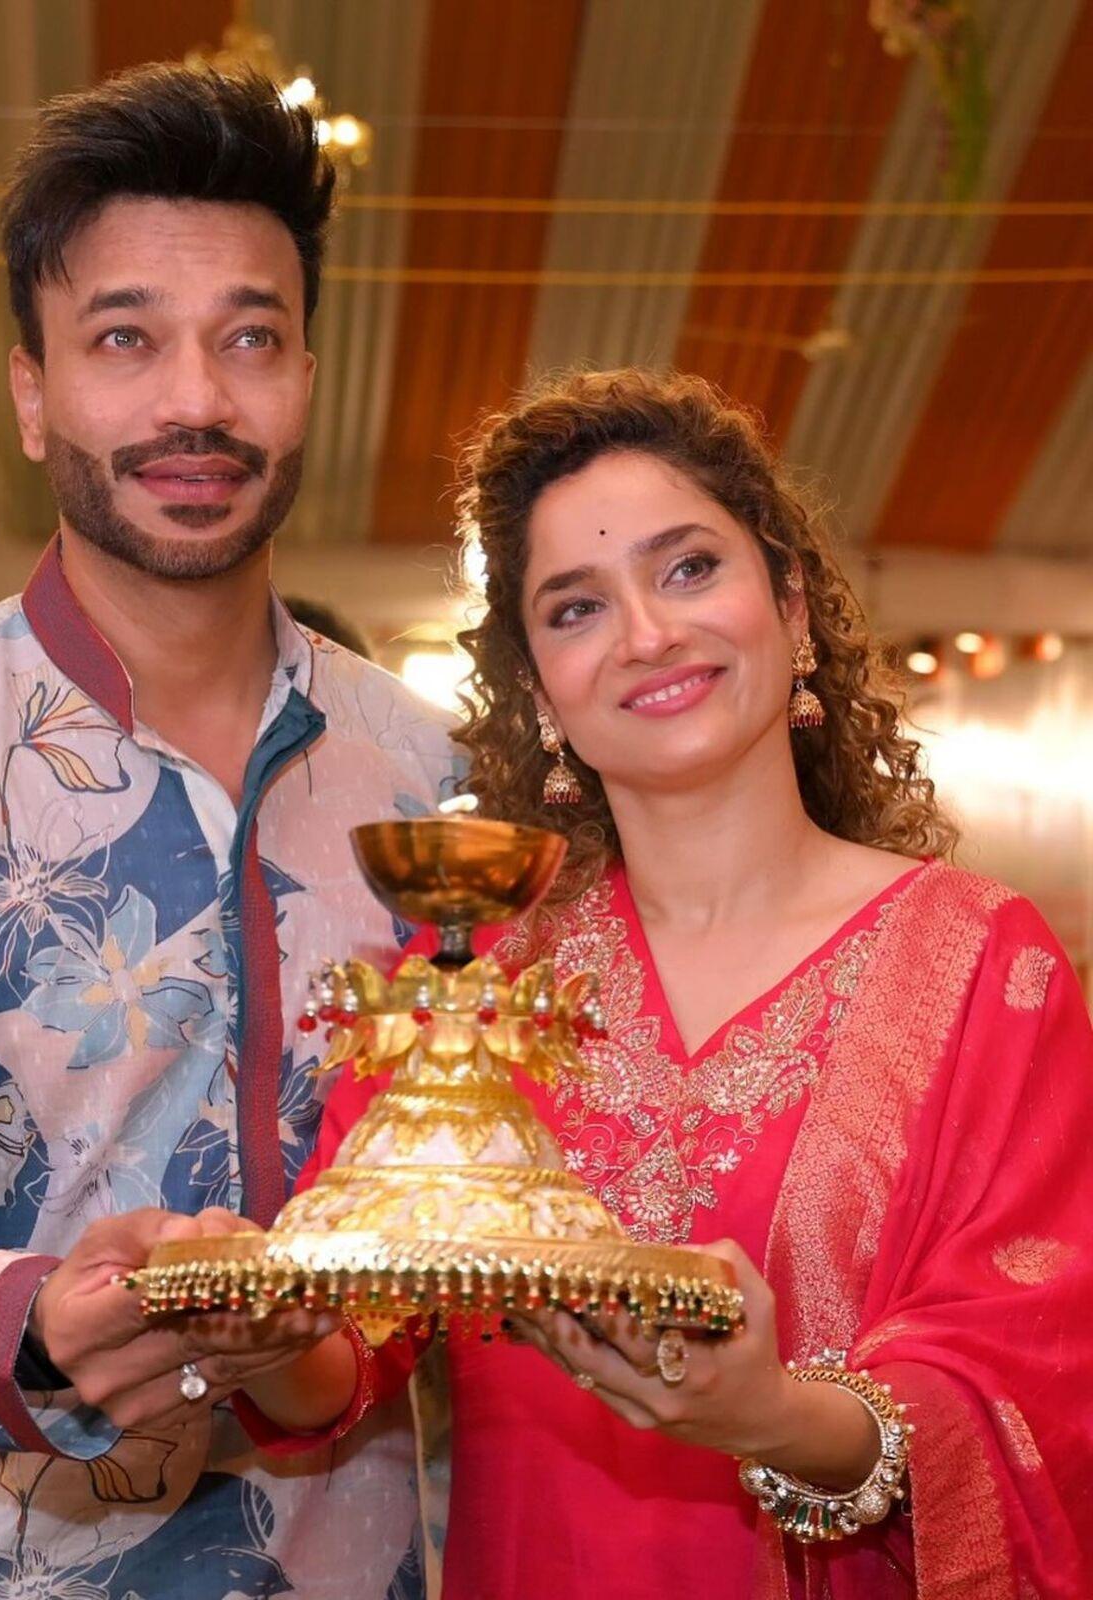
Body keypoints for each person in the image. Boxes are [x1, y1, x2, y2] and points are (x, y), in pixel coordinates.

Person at [247, 368, 1093, 1598]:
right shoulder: (473, 982)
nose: (646, 634)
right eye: (576, 608)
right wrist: (252, 1336)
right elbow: (348, 1348)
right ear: (540, 694)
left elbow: (1039, 1368)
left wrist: (777, 1415)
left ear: (790, 604)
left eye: (688, 567)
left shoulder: (977, 962)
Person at [0, 64, 455, 1598]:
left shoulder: (435, 781)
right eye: (125, 339)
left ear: (308, 369)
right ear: (32, 391)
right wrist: (38, 1313)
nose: (196, 403)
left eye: (250, 338)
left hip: (346, 1551)